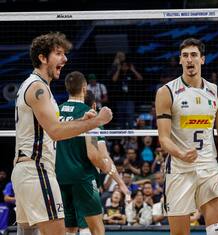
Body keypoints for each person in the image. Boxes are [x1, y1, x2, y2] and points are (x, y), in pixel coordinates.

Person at [12, 32, 112, 235]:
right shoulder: (37, 87)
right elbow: (56, 131)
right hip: (37, 170)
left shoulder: (35, 86)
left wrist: (81, 121)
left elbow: (54, 127)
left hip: (26, 171)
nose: (65, 59)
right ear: (42, 57)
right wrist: (97, 121)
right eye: (58, 53)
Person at [155, 37, 218, 235]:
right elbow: (164, 139)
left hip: (208, 166)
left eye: (194, 55)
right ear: (180, 60)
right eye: (185, 56)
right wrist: (181, 153)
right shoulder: (166, 92)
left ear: (202, 59)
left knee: (217, 230)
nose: (189, 60)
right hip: (180, 169)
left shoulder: (217, 93)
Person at [56, 74, 129, 235]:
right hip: (83, 177)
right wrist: (113, 175)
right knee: (97, 229)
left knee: (69, 228)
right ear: (84, 88)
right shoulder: (91, 115)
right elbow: (96, 155)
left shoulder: (56, 112)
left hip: (59, 177)